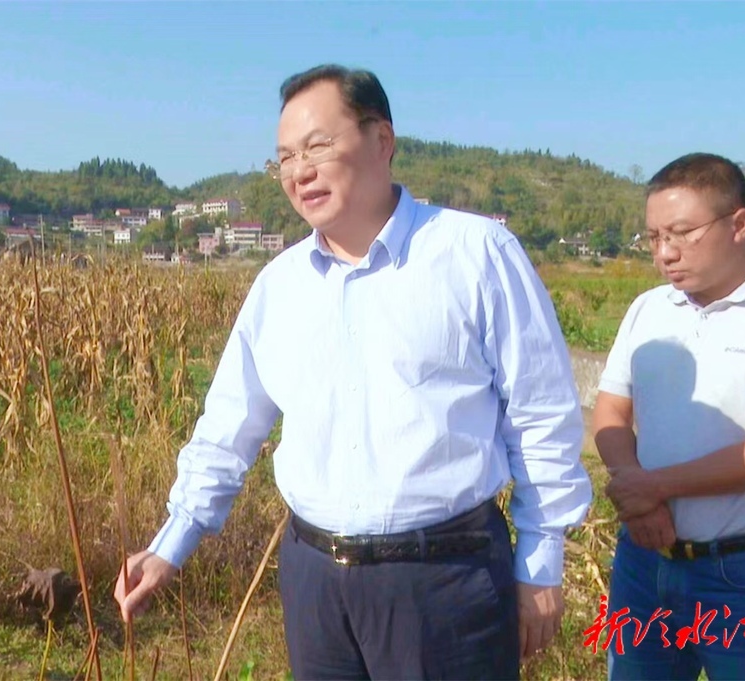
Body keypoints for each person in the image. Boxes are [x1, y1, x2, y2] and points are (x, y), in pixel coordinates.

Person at [115, 63, 592, 679]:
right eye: (285, 158)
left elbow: (541, 415)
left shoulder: (475, 254)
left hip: (443, 578)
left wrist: (541, 564)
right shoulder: (279, 286)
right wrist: (170, 544)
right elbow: (229, 427)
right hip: (315, 580)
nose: (299, 171)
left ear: (381, 140)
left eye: (317, 146)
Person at [594, 152, 745, 680]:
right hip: (644, 563)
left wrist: (654, 487)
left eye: (683, 233)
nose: (665, 253)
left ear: (739, 224)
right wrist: (638, 496)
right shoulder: (649, 309)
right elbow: (611, 410)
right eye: (654, 237)